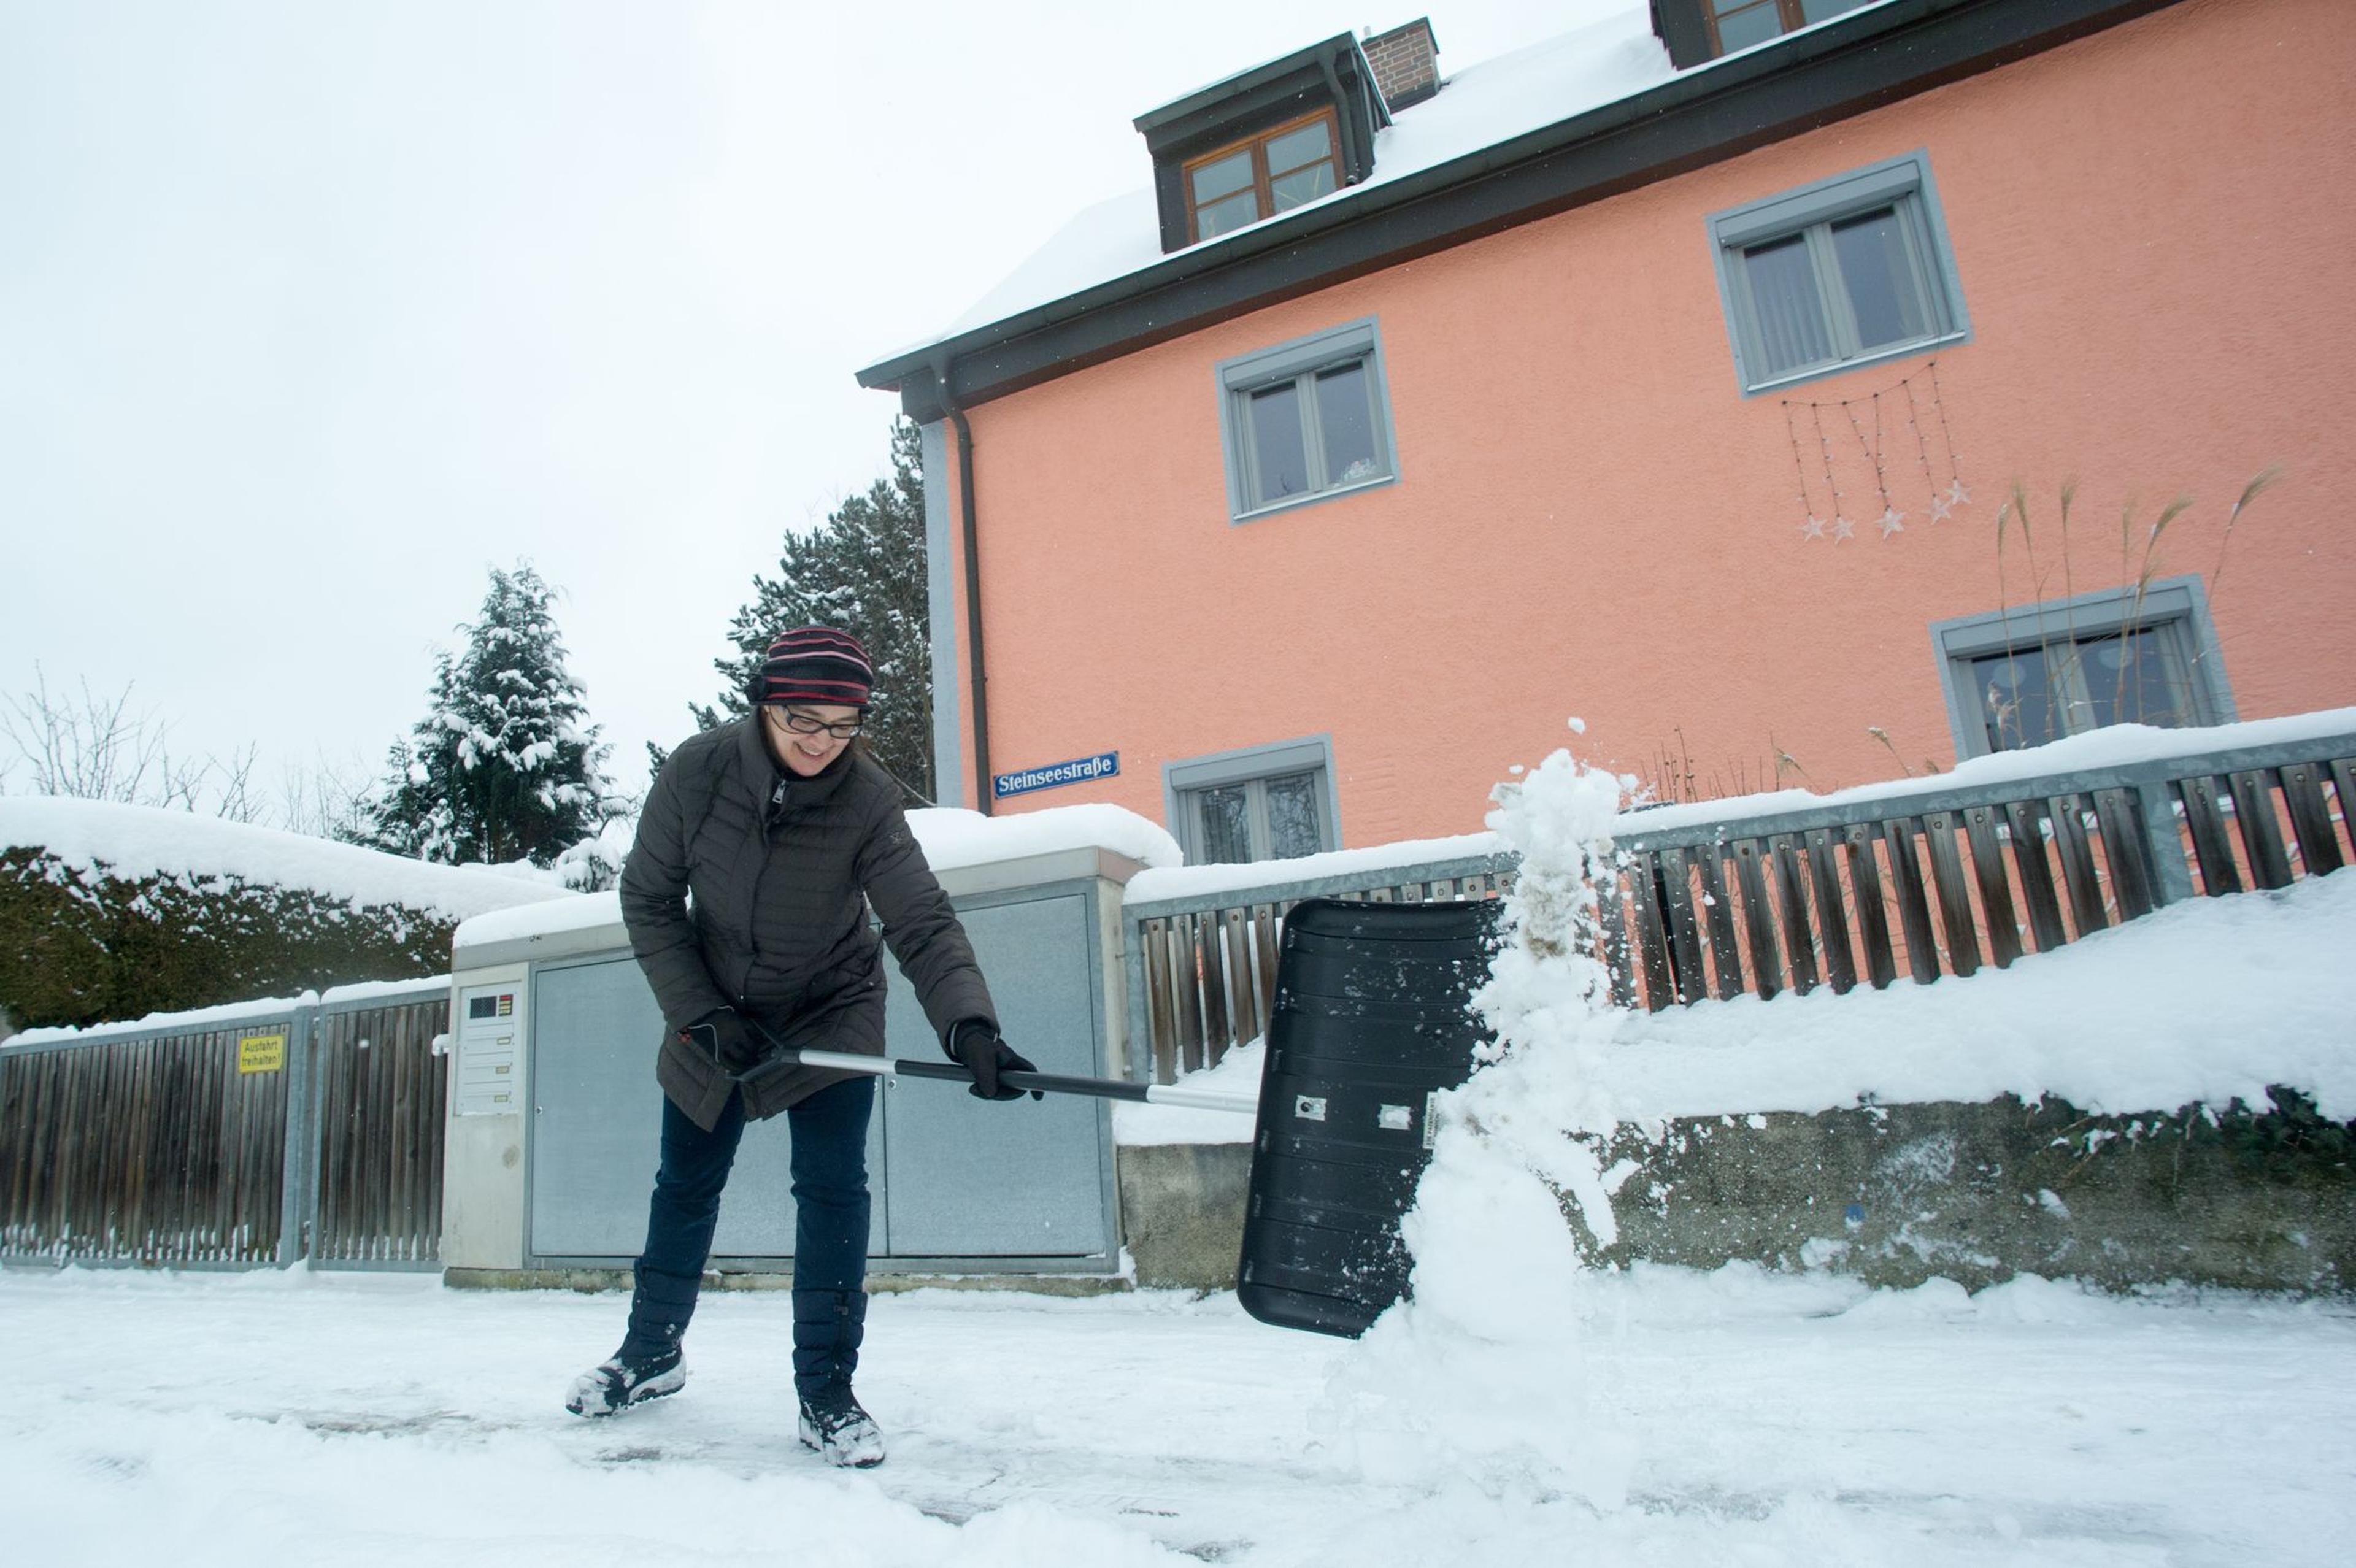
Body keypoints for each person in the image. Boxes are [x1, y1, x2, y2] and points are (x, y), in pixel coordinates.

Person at [563, 625, 1038, 1468]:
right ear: (763, 704)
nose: (823, 743)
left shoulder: (866, 800)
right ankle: (652, 1353)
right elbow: (647, 899)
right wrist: (700, 1013)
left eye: (843, 725)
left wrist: (971, 1026)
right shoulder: (698, 772)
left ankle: (826, 1390)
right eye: (803, 721)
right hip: (711, 1012)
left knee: (831, 1192)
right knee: (685, 1185)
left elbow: (920, 920)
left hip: (830, 1012)